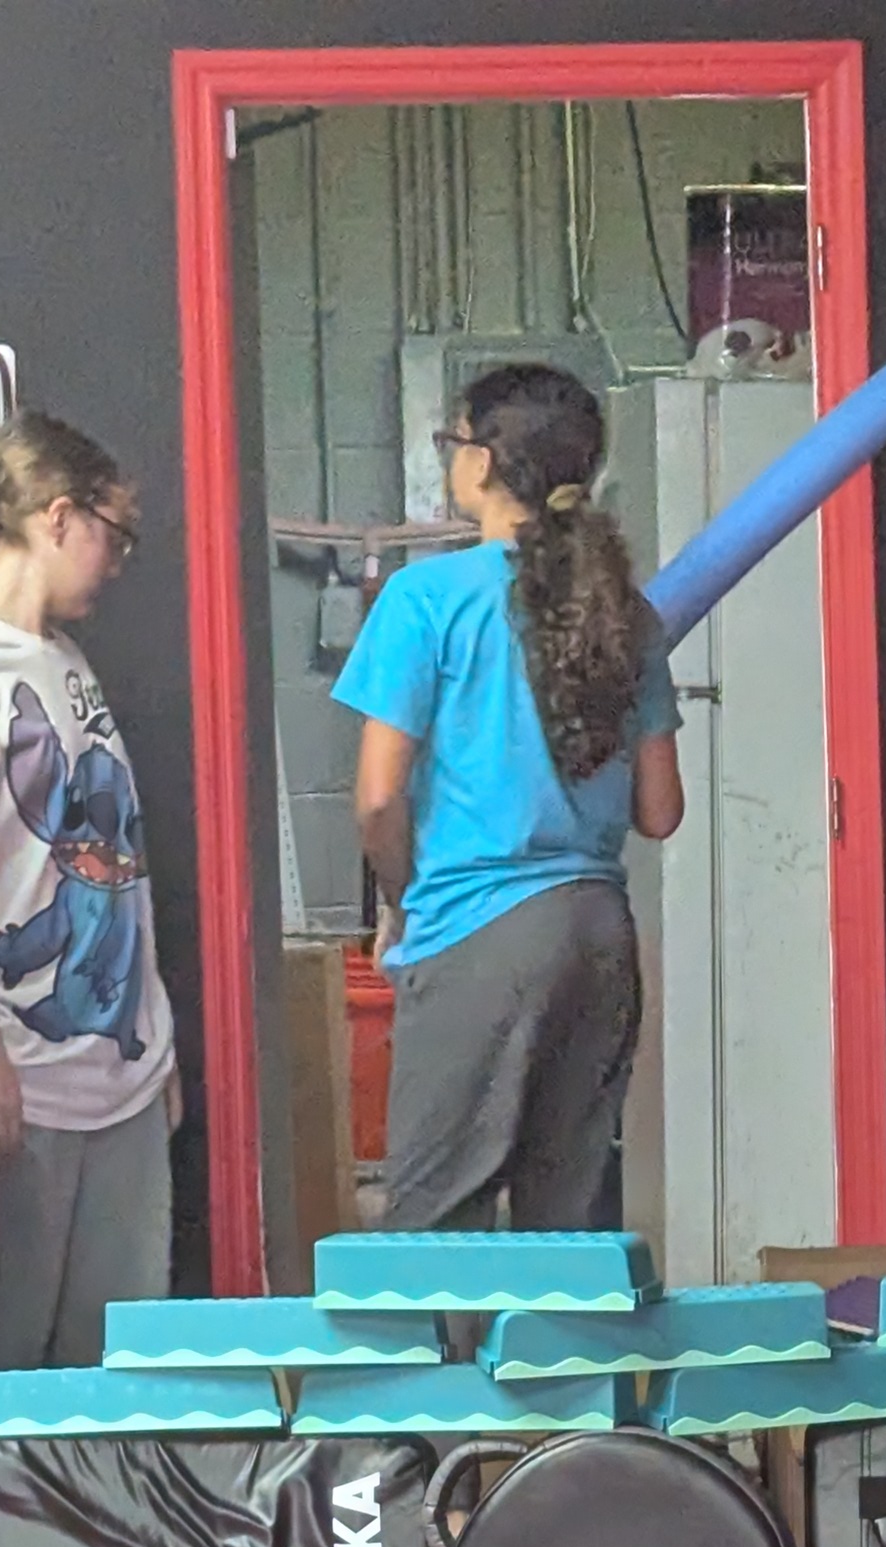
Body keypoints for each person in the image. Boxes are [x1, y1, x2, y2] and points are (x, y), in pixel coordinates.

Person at [334, 364, 684, 1233]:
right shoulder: (628, 615)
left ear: (484, 461)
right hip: (599, 934)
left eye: (452, 442)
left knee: (434, 1227)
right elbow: (660, 811)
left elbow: (378, 799)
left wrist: (404, 901)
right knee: (567, 1228)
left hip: (478, 931)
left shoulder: (425, 599)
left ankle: (441, 1338)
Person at [0, 410, 181, 1372]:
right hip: (27, 1082)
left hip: (121, 1070)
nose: (117, 563)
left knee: (117, 1366)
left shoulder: (68, 662)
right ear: (57, 516)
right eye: (113, 535)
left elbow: (115, 854)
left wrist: (157, 1034)